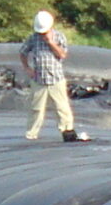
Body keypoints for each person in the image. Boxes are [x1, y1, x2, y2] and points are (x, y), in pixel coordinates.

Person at [21, 9, 86, 142]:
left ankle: (67, 131)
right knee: (36, 109)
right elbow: (23, 52)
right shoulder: (33, 38)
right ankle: (31, 134)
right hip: (39, 79)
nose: (42, 34)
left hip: (56, 78)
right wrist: (27, 68)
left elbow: (62, 55)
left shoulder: (59, 37)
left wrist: (51, 42)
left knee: (62, 107)